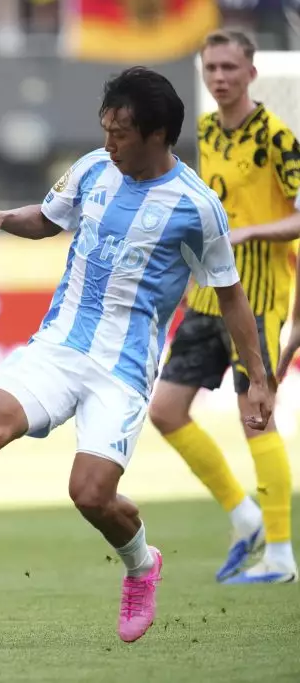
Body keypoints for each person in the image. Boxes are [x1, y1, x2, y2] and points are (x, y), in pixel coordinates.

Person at [0, 66, 275, 644]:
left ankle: (142, 565)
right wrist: (3, 219)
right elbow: (47, 219)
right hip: (60, 343)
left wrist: (256, 377)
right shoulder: (92, 169)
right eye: (105, 129)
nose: (109, 143)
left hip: (122, 369)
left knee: (90, 494)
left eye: (120, 133)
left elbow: (231, 295)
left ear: (158, 135)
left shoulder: (197, 207)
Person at [148, 30, 300, 585]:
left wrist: (251, 232)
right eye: (211, 67)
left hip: (256, 300)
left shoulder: (278, 138)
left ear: (251, 74)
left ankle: (280, 555)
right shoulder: (207, 129)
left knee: (256, 419)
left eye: (229, 67)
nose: (219, 77)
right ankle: (244, 514)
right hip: (206, 296)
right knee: (165, 411)